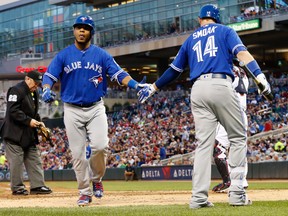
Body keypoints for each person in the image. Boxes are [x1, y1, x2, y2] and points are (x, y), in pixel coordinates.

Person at [138, 4, 271, 208]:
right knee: (237, 137)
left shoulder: (190, 39)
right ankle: (237, 194)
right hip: (220, 84)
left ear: (200, 20)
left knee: (203, 146)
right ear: (217, 19)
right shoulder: (226, 30)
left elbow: (174, 70)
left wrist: (154, 87)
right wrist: (260, 76)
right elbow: (242, 55)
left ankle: (198, 198)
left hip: (197, 90)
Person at [41, 15, 147, 206]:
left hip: (96, 107)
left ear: (91, 32)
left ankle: (97, 179)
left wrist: (135, 84)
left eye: (86, 28)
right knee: (77, 154)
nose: (82, 31)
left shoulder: (101, 55)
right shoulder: (64, 55)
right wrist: (46, 88)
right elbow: (49, 75)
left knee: (100, 146)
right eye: (78, 27)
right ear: (74, 31)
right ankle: (84, 191)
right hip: (72, 109)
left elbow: (119, 73)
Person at [0, 70, 52, 195]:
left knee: (34, 158)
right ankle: (17, 187)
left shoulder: (34, 93)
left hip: (28, 134)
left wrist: (39, 123)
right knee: (17, 161)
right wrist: (29, 121)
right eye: (35, 82)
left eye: (38, 83)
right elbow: (13, 111)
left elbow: (34, 113)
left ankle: (37, 185)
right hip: (14, 133)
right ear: (27, 79)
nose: (36, 86)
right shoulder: (16, 90)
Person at [212, 65, 249, 193]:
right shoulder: (243, 72)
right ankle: (241, 181)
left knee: (218, 149)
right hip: (242, 113)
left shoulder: (224, 67)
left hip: (229, 111)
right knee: (238, 148)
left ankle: (228, 182)